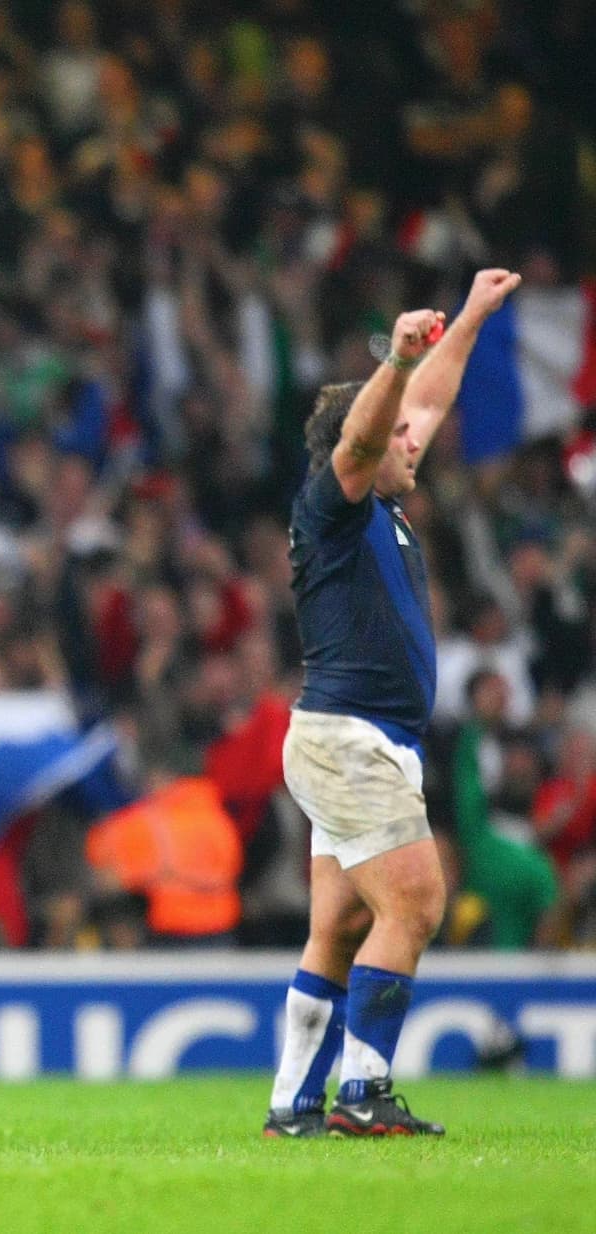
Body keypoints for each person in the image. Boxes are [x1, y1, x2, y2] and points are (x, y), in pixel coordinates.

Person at [263, 268, 521, 1139]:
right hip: (349, 739)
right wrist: (397, 360)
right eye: (397, 433)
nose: (417, 438)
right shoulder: (332, 507)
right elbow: (367, 433)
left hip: (359, 741)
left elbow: (426, 402)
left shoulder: (383, 505)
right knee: (414, 903)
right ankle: (363, 1092)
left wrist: (472, 316)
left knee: (339, 929)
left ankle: (293, 1105)